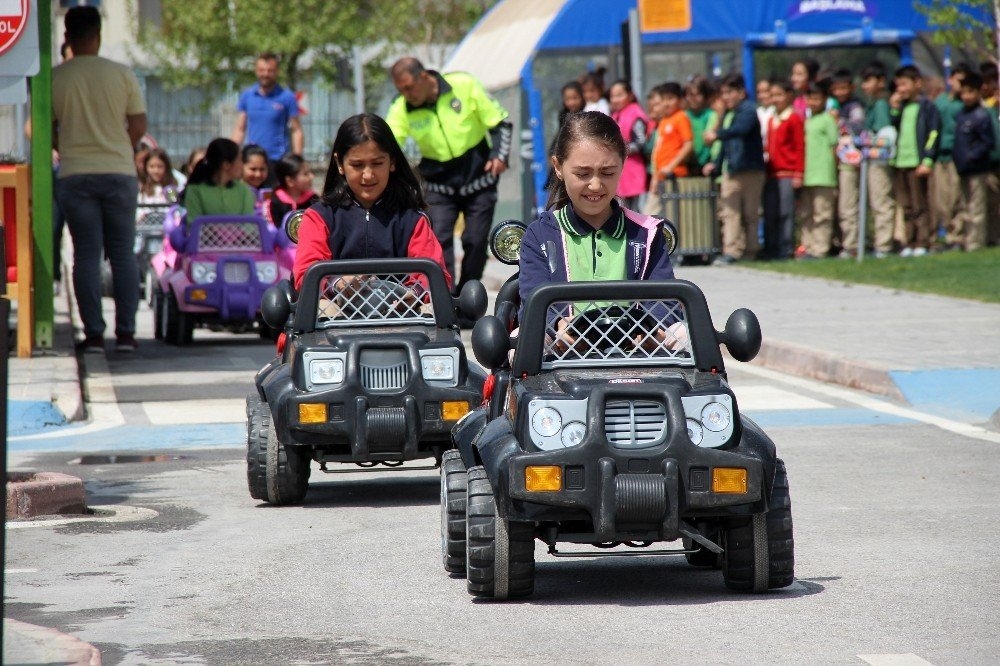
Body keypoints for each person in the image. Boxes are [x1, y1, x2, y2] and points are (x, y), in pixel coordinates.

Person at [518, 111, 681, 347]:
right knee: (522, 341)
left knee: (684, 334)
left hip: (636, 351)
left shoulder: (647, 232)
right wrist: (557, 326)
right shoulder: (540, 234)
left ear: (623, 164)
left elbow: (666, 303)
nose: (595, 185)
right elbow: (532, 301)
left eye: (607, 173)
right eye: (583, 174)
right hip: (561, 353)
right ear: (558, 167)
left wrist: (650, 327)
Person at [52, 6, 147, 354]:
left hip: (76, 173)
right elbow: (138, 126)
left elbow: (38, 129)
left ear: (67, 37)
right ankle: (126, 334)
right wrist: (121, 145)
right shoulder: (121, 74)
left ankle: (93, 335)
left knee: (86, 255)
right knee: (122, 253)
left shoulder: (56, 77)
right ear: (98, 34)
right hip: (119, 171)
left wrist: (66, 145)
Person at [386, 57, 512, 297]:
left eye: (409, 87)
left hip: (478, 176)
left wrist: (500, 155)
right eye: (400, 90)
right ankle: (446, 298)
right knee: (438, 240)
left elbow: (500, 121)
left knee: (475, 241)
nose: (406, 94)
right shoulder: (402, 106)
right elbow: (388, 142)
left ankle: (468, 295)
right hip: (437, 183)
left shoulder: (463, 85)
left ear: (424, 76)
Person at [291, 113, 450, 291]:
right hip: (334, 314)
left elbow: (436, 275)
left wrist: (415, 292)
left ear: (392, 162)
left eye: (377, 163)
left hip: (401, 315)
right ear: (340, 164)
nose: (368, 175)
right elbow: (305, 275)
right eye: (357, 165)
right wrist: (338, 284)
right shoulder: (319, 217)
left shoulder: (412, 220)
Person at [703, 73, 766, 265]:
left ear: (741, 92)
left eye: (730, 92)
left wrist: (716, 134)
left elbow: (740, 130)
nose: (726, 97)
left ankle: (751, 250)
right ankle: (732, 250)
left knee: (751, 213)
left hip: (751, 170)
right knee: (730, 213)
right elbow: (726, 144)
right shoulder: (728, 115)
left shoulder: (748, 110)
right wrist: (716, 162)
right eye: (723, 93)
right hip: (731, 170)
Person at [890, 65, 941, 257]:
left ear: (917, 83)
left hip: (917, 162)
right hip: (900, 162)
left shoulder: (927, 107)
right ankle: (909, 241)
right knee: (906, 205)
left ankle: (923, 240)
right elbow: (893, 129)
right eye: (898, 86)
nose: (900, 89)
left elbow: (934, 133)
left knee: (920, 203)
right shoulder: (902, 108)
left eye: (904, 84)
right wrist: (894, 110)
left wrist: (927, 159)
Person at [231, 52, 304, 182]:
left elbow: (296, 129)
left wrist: (297, 158)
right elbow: (240, 129)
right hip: (253, 161)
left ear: (277, 72)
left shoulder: (287, 97)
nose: (265, 74)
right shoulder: (247, 96)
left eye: (270, 70)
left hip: (278, 160)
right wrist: (232, 154)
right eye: (262, 70)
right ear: (256, 71)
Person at [953, 71, 996, 251]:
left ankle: (975, 243)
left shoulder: (982, 115)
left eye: (970, 92)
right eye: (963, 92)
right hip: (963, 168)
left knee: (977, 208)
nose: (966, 97)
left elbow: (988, 142)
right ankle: (965, 239)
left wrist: (973, 155)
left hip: (977, 168)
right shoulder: (962, 114)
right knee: (964, 207)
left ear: (978, 92)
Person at [933, 64, 973, 250]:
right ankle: (947, 233)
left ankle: (956, 237)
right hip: (940, 156)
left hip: (958, 156)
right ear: (950, 80)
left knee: (958, 198)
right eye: (957, 80)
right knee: (942, 200)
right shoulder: (940, 102)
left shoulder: (964, 105)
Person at [763, 80, 804, 261]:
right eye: (772, 95)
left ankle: (785, 247)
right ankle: (771, 246)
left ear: (788, 96)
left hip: (788, 172)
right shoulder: (773, 119)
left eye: (779, 95)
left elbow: (799, 146)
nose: (775, 99)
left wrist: (798, 172)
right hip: (772, 173)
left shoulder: (793, 118)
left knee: (786, 212)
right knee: (771, 212)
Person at [860, 61, 897, 258]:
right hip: (871, 161)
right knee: (875, 201)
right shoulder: (872, 104)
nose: (864, 86)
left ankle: (884, 245)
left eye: (869, 81)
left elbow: (884, 136)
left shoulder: (881, 104)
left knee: (881, 201)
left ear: (881, 81)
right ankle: (879, 242)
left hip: (879, 162)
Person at [829, 68, 867, 258]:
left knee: (848, 204)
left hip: (850, 162)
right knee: (838, 205)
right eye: (836, 89)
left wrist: (839, 122)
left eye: (843, 88)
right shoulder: (835, 105)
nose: (840, 92)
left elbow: (858, 128)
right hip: (835, 161)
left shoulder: (854, 107)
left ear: (851, 87)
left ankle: (851, 245)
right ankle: (840, 241)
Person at [799, 82, 839, 259]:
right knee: (806, 214)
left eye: (817, 98)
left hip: (824, 174)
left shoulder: (828, 120)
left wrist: (835, 169)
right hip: (807, 173)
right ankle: (807, 246)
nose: (813, 102)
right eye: (810, 98)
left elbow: (834, 146)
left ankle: (820, 248)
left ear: (824, 100)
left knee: (822, 214)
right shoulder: (806, 121)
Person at [645, 82, 693, 216]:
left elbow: (688, 144)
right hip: (661, 176)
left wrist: (671, 166)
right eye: (664, 99)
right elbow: (658, 151)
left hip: (674, 175)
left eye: (671, 98)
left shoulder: (681, 117)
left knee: (672, 216)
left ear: (680, 100)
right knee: (651, 215)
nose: (666, 103)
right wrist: (655, 178)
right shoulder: (665, 120)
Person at [181, 138, 256, 222]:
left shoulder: (244, 190)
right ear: (226, 165)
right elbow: (194, 225)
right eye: (239, 160)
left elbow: (249, 225)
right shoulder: (195, 191)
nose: (242, 165)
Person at [608, 79, 650, 210]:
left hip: (634, 170)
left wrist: (620, 150)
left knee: (635, 211)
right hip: (621, 170)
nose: (615, 99)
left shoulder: (635, 114)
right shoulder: (615, 114)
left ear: (630, 95)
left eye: (619, 95)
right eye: (612, 96)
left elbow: (641, 142)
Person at [269, 154, 318, 226]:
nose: (311, 176)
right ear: (290, 181)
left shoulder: (314, 200)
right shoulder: (275, 202)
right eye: (305, 174)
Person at [684, 75, 719, 171]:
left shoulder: (711, 115)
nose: (693, 99)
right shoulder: (684, 116)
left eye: (697, 94)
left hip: (706, 164)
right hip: (687, 163)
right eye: (690, 95)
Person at [240, 144, 271, 219]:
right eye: (253, 169)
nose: (258, 174)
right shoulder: (236, 192)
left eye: (262, 169)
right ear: (240, 166)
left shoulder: (269, 192)